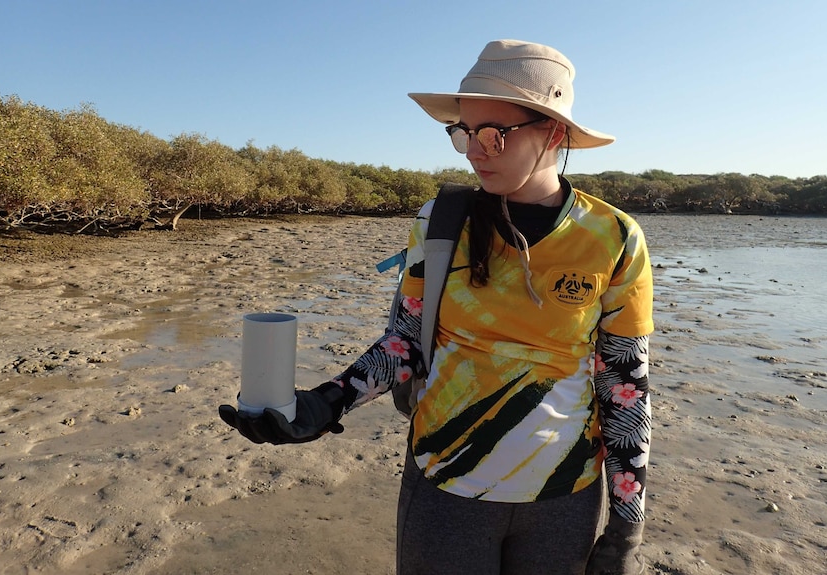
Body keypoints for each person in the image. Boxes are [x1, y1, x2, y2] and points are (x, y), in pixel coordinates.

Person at [219, 39, 653, 575]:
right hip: (444, 480)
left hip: (564, 494)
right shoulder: (440, 222)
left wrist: (626, 524)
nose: (475, 151)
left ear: (554, 133)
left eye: (495, 133)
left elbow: (624, 383)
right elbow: (405, 342)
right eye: (464, 132)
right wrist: (327, 403)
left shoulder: (614, 237)